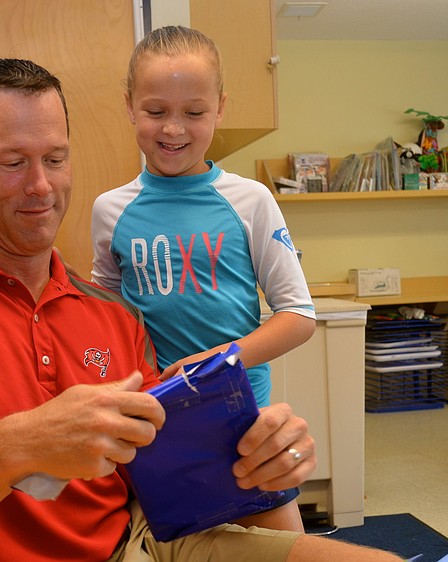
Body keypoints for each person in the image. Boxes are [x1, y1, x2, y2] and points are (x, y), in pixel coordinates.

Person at [0, 58, 399, 562]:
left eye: (55, 158)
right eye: (11, 163)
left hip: (142, 545)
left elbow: (170, 480)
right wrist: (15, 444)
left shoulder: (114, 315)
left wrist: (259, 462)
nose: (41, 186)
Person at [91, 26, 316, 532]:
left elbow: (299, 317)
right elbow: (102, 310)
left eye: (194, 112)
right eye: (155, 111)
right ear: (129, 106)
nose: (174, 129)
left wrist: (215, 362)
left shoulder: (250, 200)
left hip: (244, 423)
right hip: (153, 425)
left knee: (286, 551)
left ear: (220, 108)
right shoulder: (110, 210)